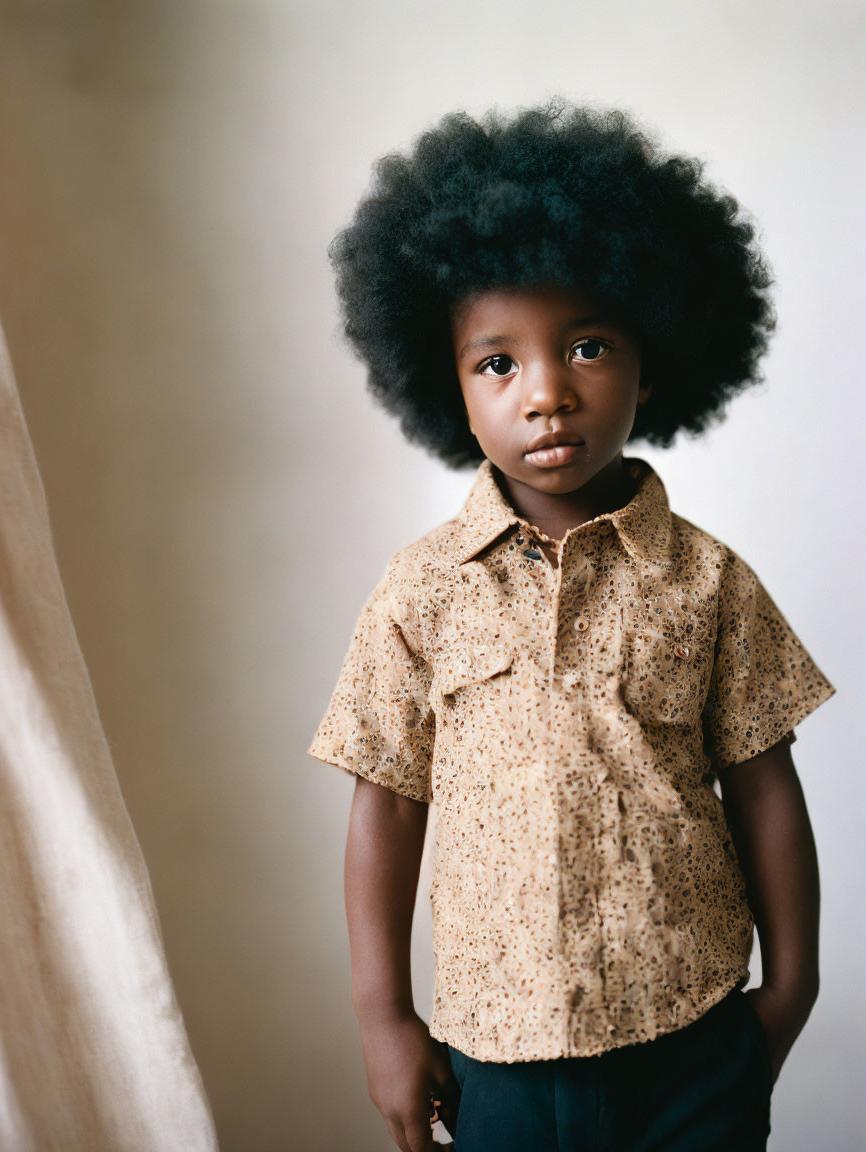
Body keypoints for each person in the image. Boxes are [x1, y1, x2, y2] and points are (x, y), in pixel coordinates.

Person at [307, 100, 836, 1152]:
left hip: (691, 1041)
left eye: (586, 345)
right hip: (492, 1061)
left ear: (654, 359)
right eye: (495, 363)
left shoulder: (710, 581)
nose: (545, 394)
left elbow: (764, 783)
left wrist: (790, 988)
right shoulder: (418, 592)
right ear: (443, 386)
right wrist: (381, 1017)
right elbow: (386, 805)